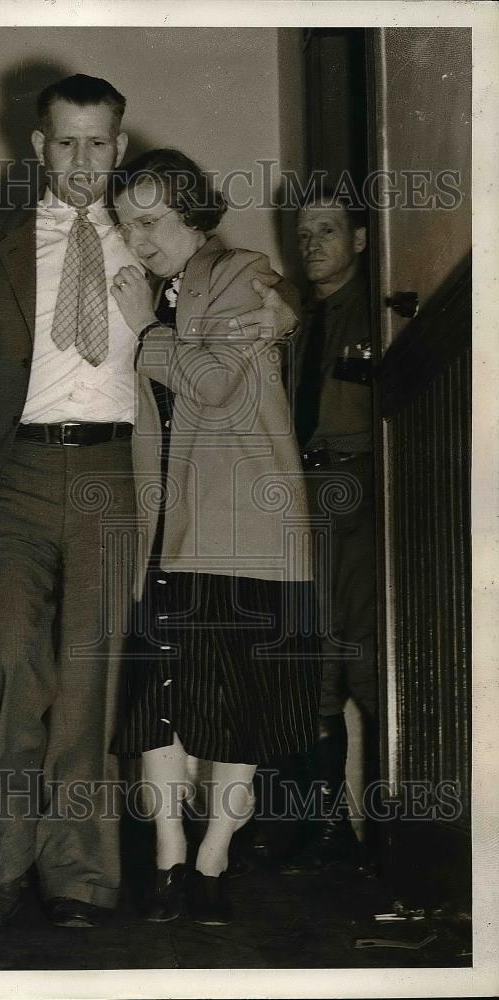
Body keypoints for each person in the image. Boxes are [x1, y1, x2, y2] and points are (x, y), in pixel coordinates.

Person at [0, 74, 141, 929]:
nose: (83, 160)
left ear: (119, 147)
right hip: (9, 478)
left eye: (99, 142)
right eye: (66, 142)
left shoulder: (148, 237)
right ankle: (0, 861)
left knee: (89, 678)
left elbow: (227, 304)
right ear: (39, 148)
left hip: (114, 476)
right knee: (11, 660)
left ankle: (79, 875)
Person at [109, 149, 321, 925]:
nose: (135, 239)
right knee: (158, 705)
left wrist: (144, 329)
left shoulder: (242, 274)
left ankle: (213, 858)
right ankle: (169, 858)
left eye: (151, 221)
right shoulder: (140, 287)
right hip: (164, 530)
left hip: (243, 528)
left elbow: (213, 382)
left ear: (194, 214)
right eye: (126, 224)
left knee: (237, 710)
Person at [281, 184, 376, 871]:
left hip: (366, 494)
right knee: (312, 664)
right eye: (304, 233)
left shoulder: (382, 310)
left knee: (367, 657)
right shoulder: (298, 319)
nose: (313, 244)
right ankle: (324, 827)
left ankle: (389, 831)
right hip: (304, 495)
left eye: (328, 231)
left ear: (361, 240)